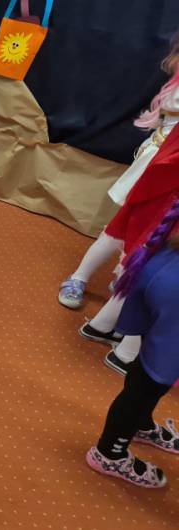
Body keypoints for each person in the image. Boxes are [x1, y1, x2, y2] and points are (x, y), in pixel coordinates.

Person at [59, 38, 179, 310]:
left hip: (170, 175)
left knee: (154, 234)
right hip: (158, 168)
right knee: (122, 226)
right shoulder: (176, 92)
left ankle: (124, 280)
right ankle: (79, 277)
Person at [86, 198, 179, 488]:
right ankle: (109, 453)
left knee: (148, 371)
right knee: (150, 382)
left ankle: (140, 423)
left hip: (166, 265)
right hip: (174, 291)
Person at [78, 129, 179, 376]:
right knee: (159, 280)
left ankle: (103, 326)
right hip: (167, 206)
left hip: (163, 201)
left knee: (144, 269)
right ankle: (128, 352)